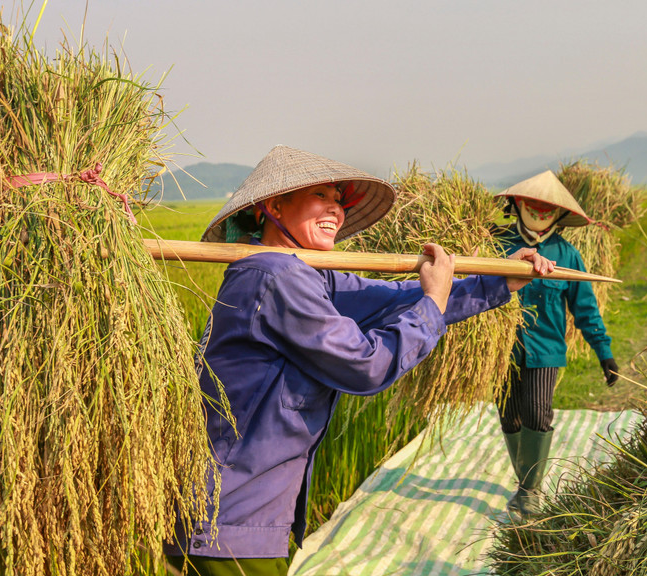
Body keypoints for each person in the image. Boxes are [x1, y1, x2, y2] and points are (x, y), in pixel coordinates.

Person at [164, 145, 554, 575]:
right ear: (273, 206)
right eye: (321, 197)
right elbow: (366, 364)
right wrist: (434, 301)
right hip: (232, 520)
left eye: (339, 199)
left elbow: (397, 300)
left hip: (242, 518)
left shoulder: (307, 274)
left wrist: (498, 281)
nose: (337, 208)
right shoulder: (277, 278)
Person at [493, 170, 619, 520]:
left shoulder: (567, 255)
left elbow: (585, 309)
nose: (541, 212)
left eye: (549, 208)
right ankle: (524, 480)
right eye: (533, 205)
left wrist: (603, 352)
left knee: (537, 413)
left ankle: (530, 492)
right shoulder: (496, 244)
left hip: (545, 349)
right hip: (501, 351)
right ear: (516, 205)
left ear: (559, 214)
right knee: (510, 416)